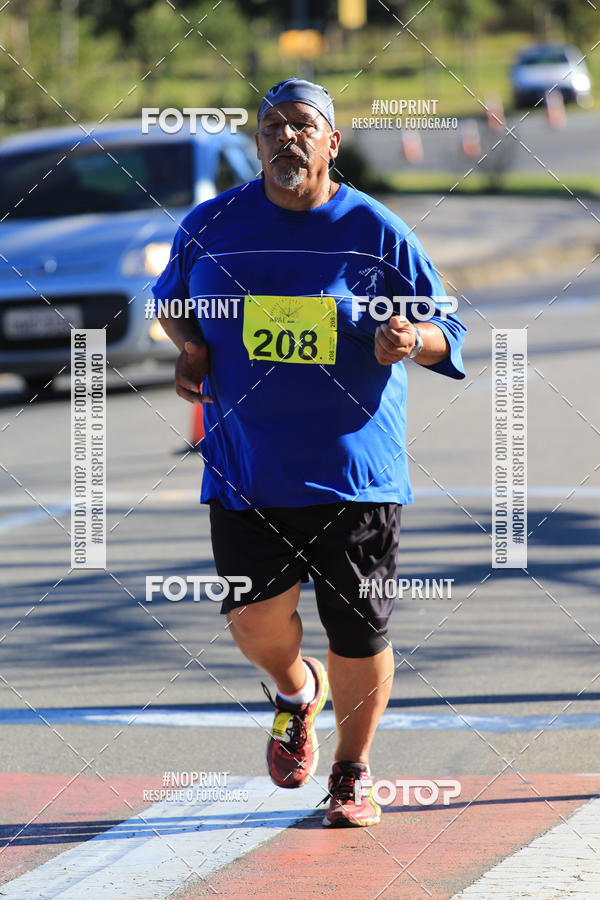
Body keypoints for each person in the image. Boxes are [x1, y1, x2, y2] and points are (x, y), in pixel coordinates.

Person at [152, 77, 466, 828]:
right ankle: (297, 692)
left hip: (355, 472)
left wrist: (409, 339)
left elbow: (446, 334)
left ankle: (352, 773)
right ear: (256, 142)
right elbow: (171, 303)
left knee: (360, 628)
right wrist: (189, 347)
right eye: (271, 128)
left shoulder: (377, 230)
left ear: (331, 142)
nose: (284, 139)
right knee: (253, 624)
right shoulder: (211, 223)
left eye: (301, 126)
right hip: (247, 467)